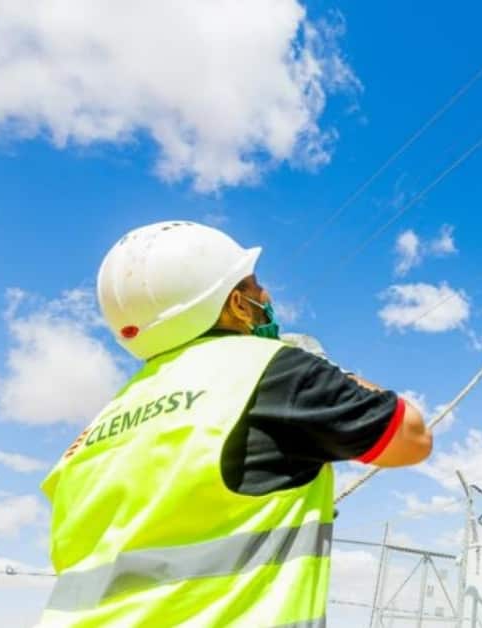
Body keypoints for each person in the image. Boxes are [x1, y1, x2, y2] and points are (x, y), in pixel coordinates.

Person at [39, 221, 433, 627]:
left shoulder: (98, 426)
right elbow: (411, 437)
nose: (266, 295)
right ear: (239, 305)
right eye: (255, 285)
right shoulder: (270, 369)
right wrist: (328, 371)